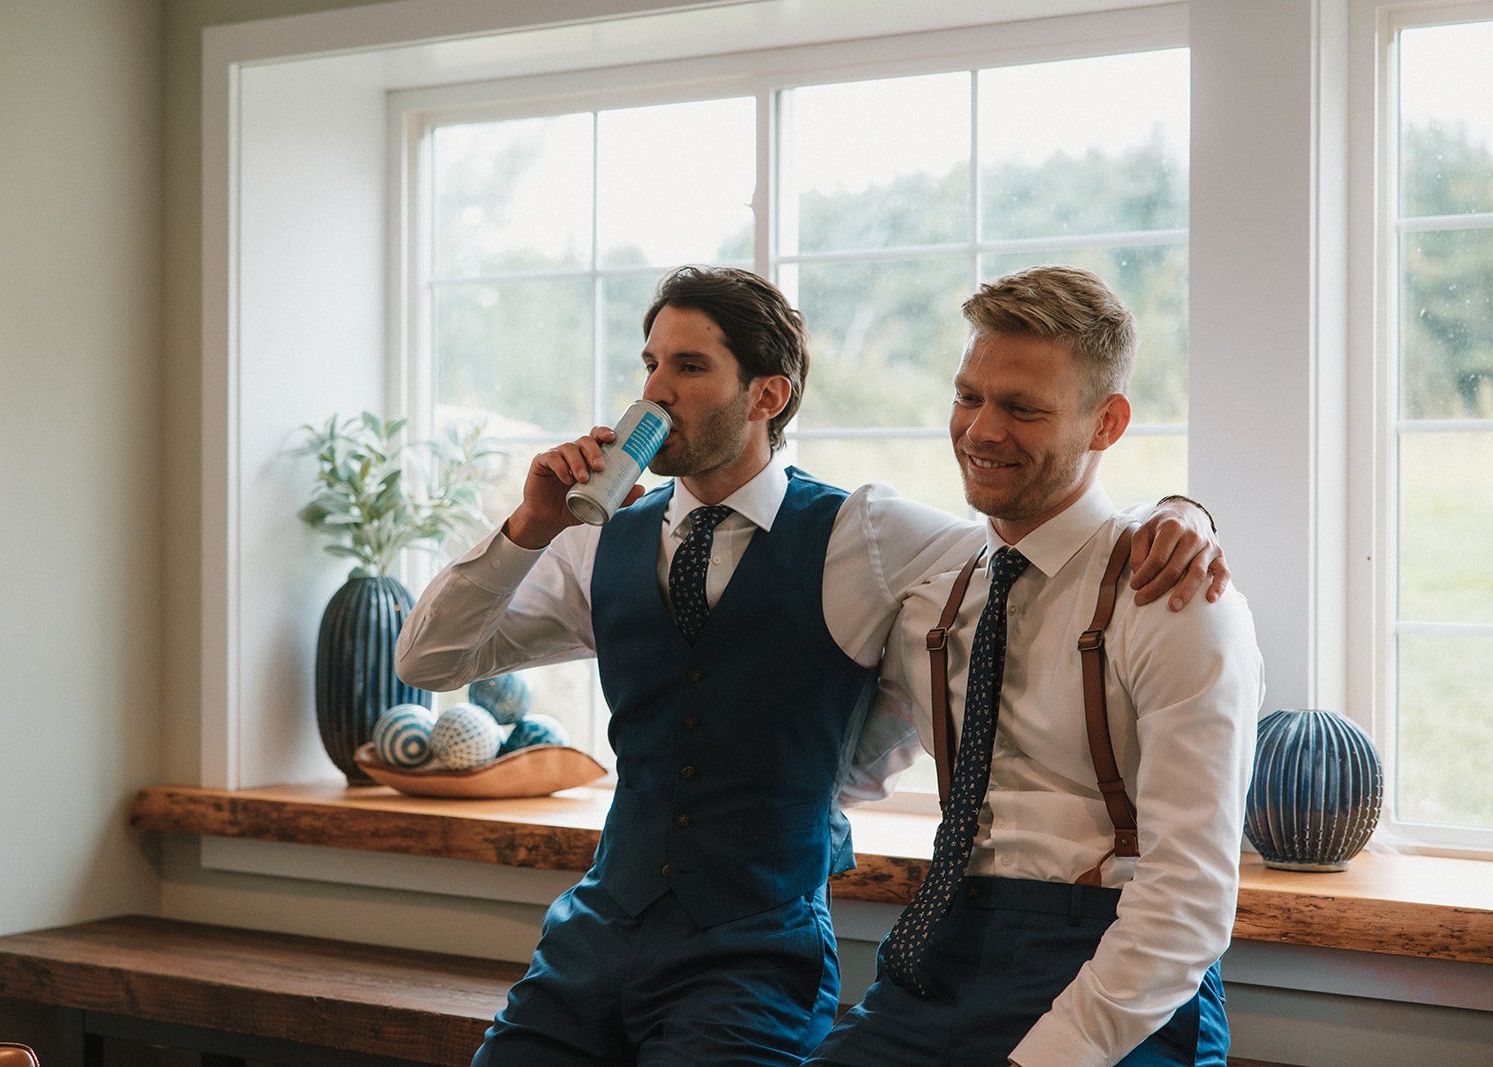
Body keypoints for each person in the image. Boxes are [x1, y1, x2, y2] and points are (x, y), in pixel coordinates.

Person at [394, 265, 1226, 1067]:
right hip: (594, 933)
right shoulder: (598, 536)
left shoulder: (864, 534)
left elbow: (1039, 540)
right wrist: (529, 525)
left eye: (688, 366)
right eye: (650, 364)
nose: (655, 391)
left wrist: (1178, 511)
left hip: (753, 951)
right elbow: (429, 657)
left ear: (768, 394)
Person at [805, 265, 1264, 1067]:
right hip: (934, 960)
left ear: (1106, 422)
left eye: (1021, 408)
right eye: (968, 396)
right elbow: (847, 767)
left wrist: (1052, 1052)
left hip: (1117, 979)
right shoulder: (935, 599)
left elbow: (1187, 900)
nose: (981, 431)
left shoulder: (1174, 599)